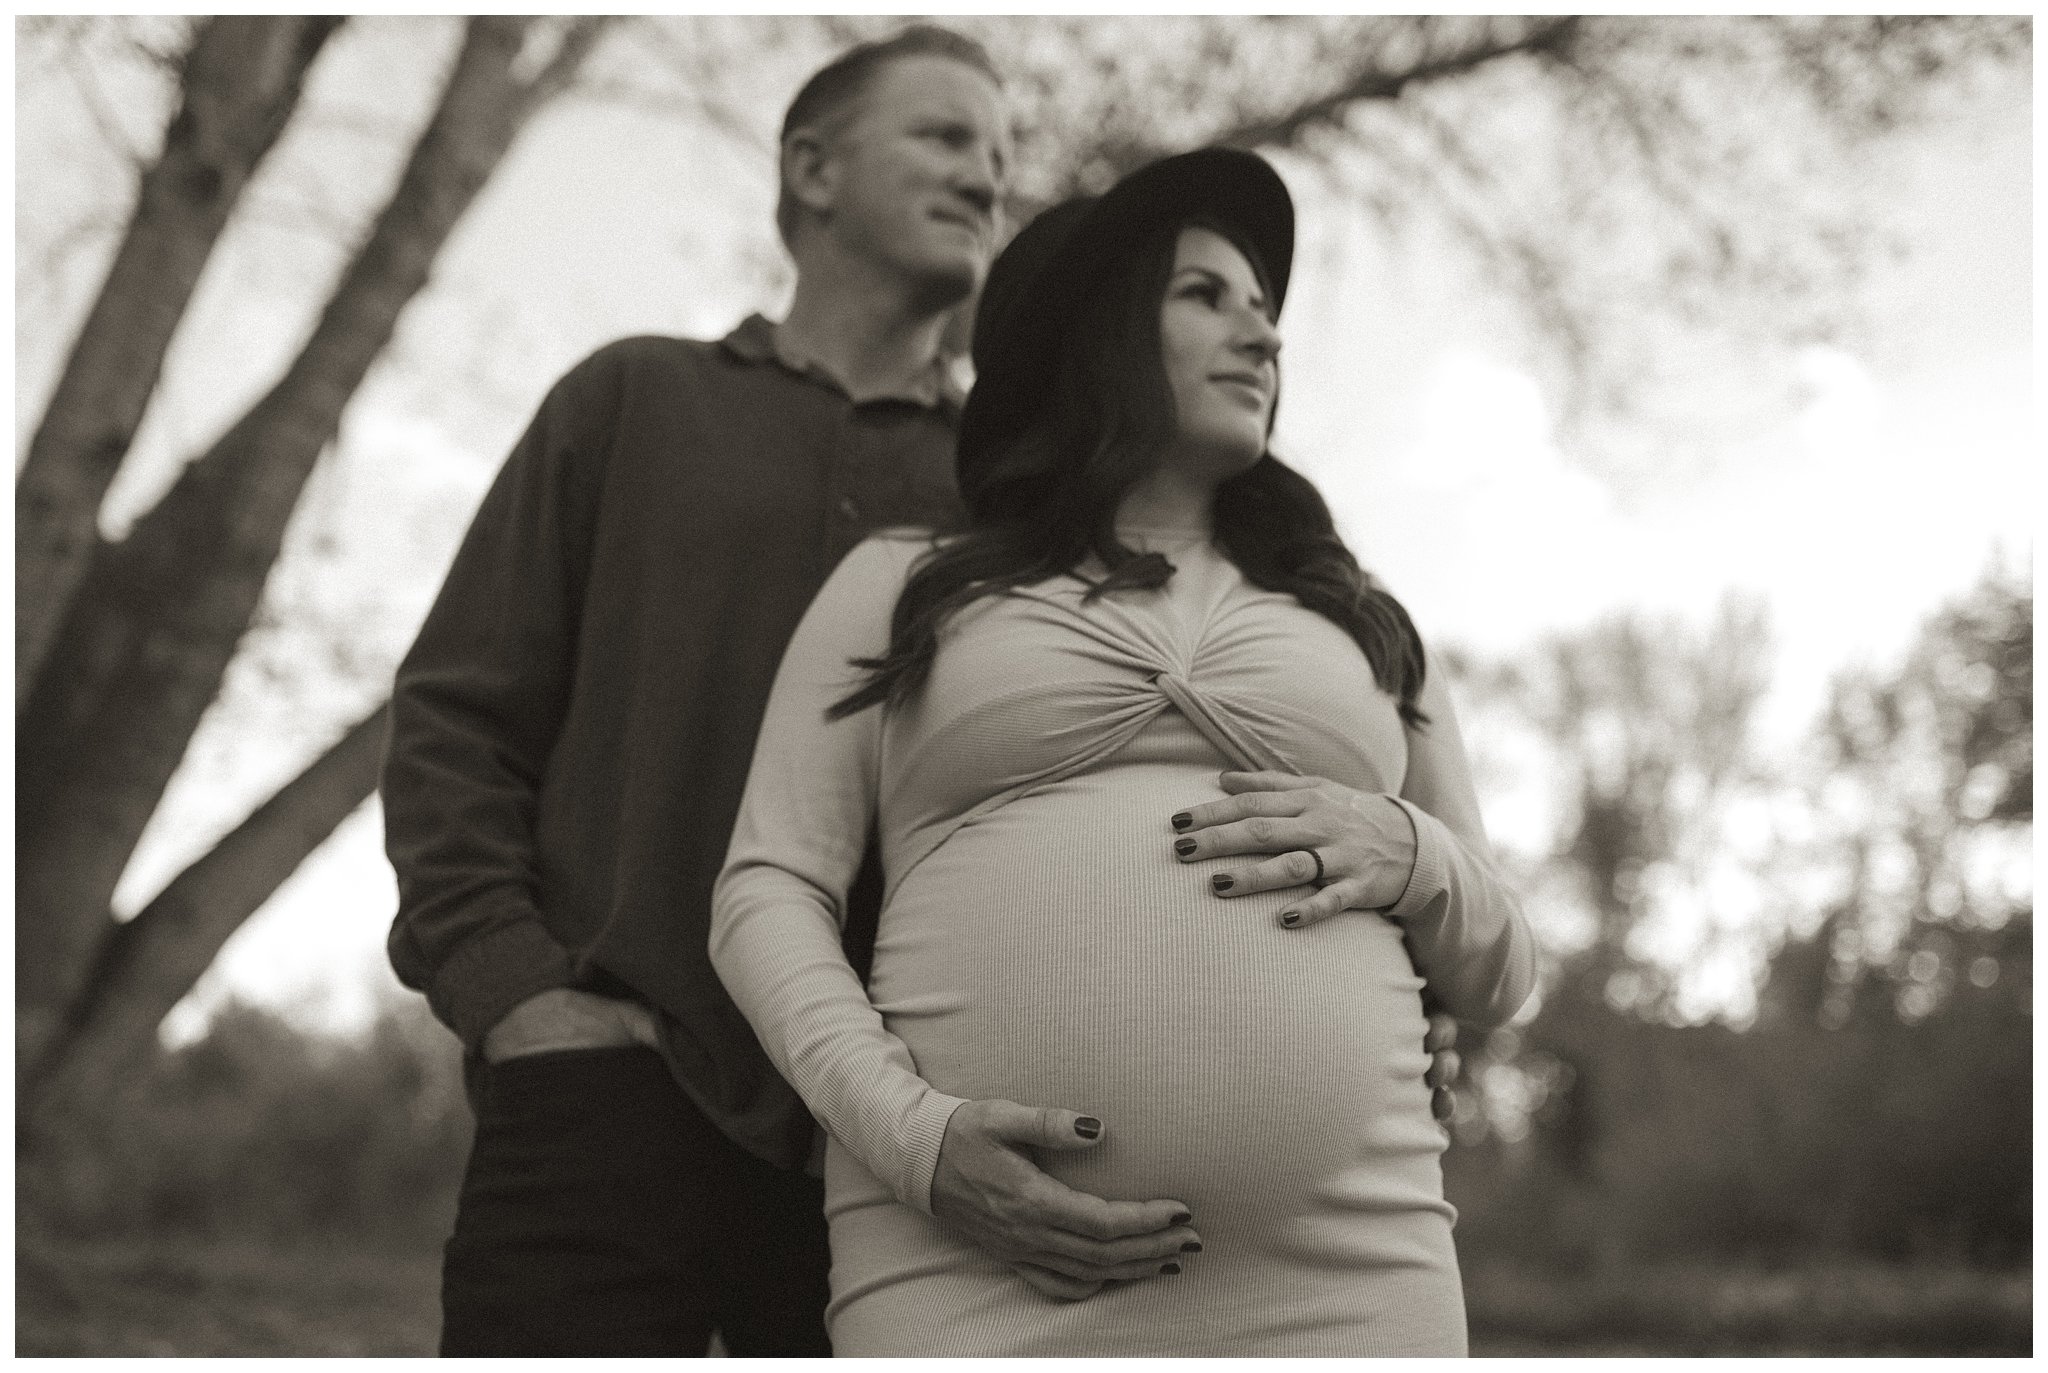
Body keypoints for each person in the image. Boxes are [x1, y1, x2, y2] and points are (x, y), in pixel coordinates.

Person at [711, 146, 1535, 1355]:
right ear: (1092, 332)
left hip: (1349, 1272)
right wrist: (910, 1138)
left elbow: (1504, 966)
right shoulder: (899, 583)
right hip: (968, 1263)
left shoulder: (1360, 616)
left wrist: (1406, 847)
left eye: (1265, 312)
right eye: (1205, 295)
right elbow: (765, 888)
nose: (1261, 337)